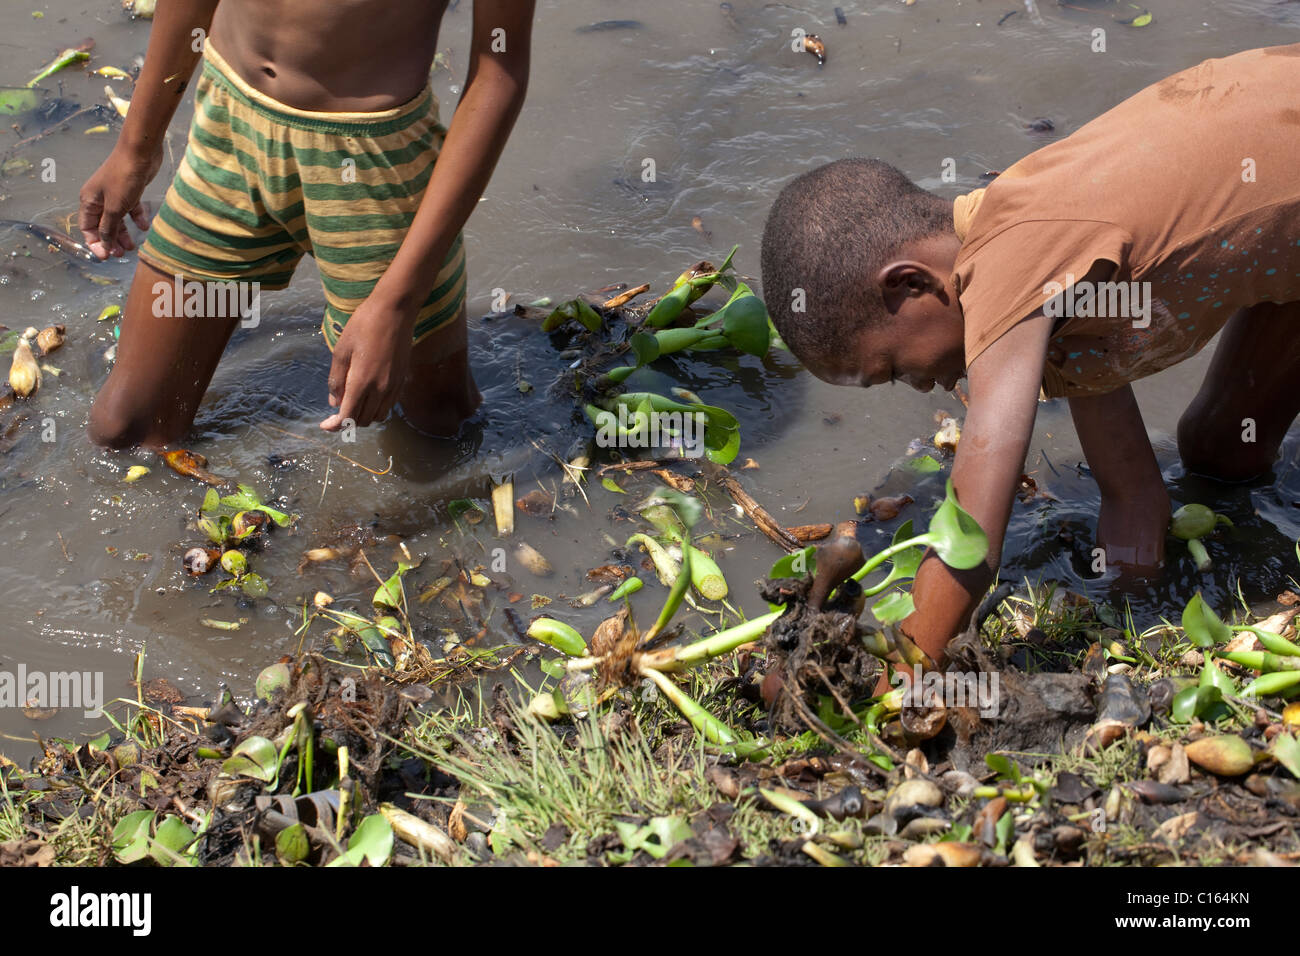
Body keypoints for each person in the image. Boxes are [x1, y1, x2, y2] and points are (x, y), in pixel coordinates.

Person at [760, 43, 1300, 670]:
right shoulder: (1054, 287)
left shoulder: (1010, 269)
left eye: (895, 369)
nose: (919, 387)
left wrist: (906, 671)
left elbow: (973, 538)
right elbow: (1133, 498)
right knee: (1218, 448)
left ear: (909, 284)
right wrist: (1128, 615)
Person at [82, 0, 534, 447]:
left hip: (373, 169)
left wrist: (399, 304)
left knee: (437, 427)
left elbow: (499, 69)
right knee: (126, 428)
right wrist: (136, 147)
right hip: (227, 132)